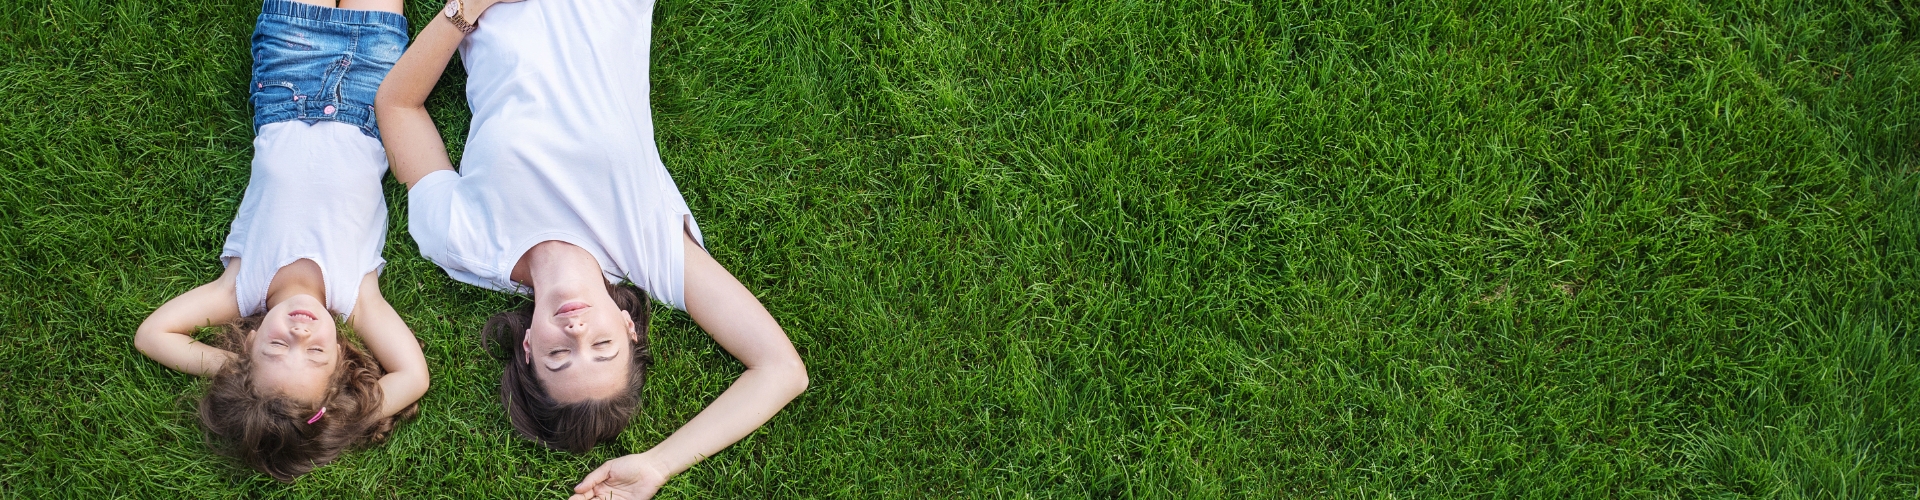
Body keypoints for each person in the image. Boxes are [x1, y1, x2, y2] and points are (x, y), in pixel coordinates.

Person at [375, 0, 808, 495]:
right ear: (629, 327)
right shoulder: (648, 251)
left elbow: (397, 106)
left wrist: (465, 8)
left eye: (560, 354)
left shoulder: (462, 242)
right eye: (602, 347)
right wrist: (657, 464)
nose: (576, 330)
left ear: (528, 347)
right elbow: (781, 371)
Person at [131, 0, 430, 483]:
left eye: (274, 349)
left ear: (249, 344)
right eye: (316, 354)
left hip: (288, 73)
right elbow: (414, 378)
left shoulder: (238, 288)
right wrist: (339, 419)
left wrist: (234, 372)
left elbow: (152, 335)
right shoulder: (356, 298)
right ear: (342, 358)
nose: (300, 335)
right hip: (374, 91)